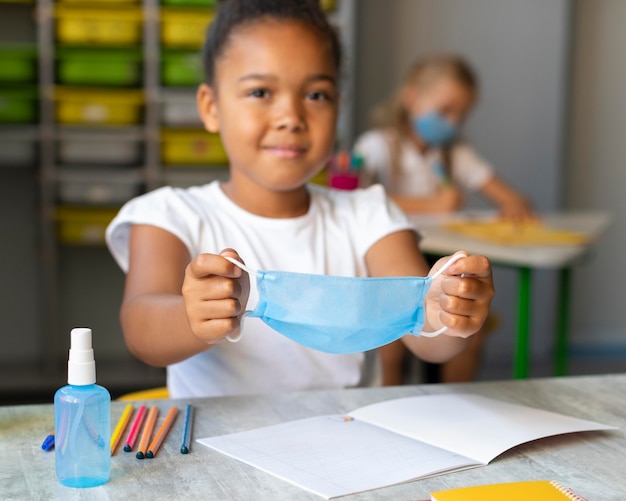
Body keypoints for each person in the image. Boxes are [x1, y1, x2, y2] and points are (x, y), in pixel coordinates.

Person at [106, 0, 494, 399]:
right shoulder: (169, 214)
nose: (290, 116)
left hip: (349, 437)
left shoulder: (369, 214)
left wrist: (448, 312)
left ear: (338, 107)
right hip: (221, 447)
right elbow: (140, 328)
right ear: (211, 107)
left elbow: (425, 332)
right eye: (260, 91)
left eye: (316, 95)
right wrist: (191, 317)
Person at [354, 54, 532, 385]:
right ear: (412, 97)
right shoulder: (376, 146)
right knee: (390, 337)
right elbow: (355, 200)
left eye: (461, 115)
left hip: (440, 263)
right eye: (445, 110)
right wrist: (431, 203)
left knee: (468, 329)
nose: (452, 122)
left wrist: (513, 204)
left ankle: (453, 411)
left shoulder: (453, 152)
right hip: (388, 269)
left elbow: (511, 198)